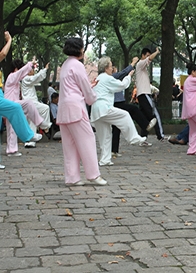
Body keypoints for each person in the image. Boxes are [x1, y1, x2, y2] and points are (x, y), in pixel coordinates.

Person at [58, 37, 107, 186]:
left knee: (69, 145)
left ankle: (72, 178)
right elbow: (84, 88)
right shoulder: (77, 65)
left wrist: (88, 89)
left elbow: (73, 87)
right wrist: (92, 97)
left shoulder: (65, 65)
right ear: (79, 49)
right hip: (76, 108)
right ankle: (93, 174)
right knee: (87, 140)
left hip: (64, 108)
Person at [91, 56, 146, 166]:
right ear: (106, 68)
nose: (112, 68)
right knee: (124, 115)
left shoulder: (99, 78)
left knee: (105, 136)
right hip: (104, 108)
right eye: (111, 66)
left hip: (96, 111)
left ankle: (105, 159)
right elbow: (122, 85)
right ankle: (133, 138)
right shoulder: (107, 78)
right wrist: (129, 76)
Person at [0, 32, 42, 169]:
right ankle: (28, 136)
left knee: (22, 107)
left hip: (3, 98)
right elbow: (3, 55)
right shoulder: (13, 76)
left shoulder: (15, 79)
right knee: (17, 109)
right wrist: (10, 40)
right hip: (7, 102)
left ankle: (34, 130)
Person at [4, 59, 51, 156]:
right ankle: (36, 128)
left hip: (12, 105)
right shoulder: (12, 76)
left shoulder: (15, 80)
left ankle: (12, 150)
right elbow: (21, 73)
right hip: (11, 105)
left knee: (13, 128)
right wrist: (30, 64)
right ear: (16, 69)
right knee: (29, 104)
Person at [111, 58, 156, 157]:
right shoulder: (112, 76)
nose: (114, 69)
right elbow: (123, 73)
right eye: (113, 67)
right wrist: (133, 63)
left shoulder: (111, 78)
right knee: (133, 109)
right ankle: (145, 125)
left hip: (116, 103)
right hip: (117, 103)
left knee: (116, 129)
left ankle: (114, 150)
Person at [136, 47, 168, 141]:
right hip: (144, 94)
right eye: (147, 55)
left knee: (146, 118)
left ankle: (143, 138)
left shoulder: (143, 69)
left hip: (142, 95)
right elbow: (149, 59)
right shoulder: (140, 64)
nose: (149, 58)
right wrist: (157, 52)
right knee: (155, 114)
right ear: (143, 55)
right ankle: (160, 135)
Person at [21, 62, 52, 148]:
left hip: (30, 103)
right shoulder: (26, 79)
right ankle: (45, 126)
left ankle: (30, 141)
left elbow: (36, 79)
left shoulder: (27, 80)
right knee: (45, 108)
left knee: (32, 120)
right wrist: (45, 69)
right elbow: (36, 78)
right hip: (30, 102)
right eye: (31, 69)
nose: (33, 71)